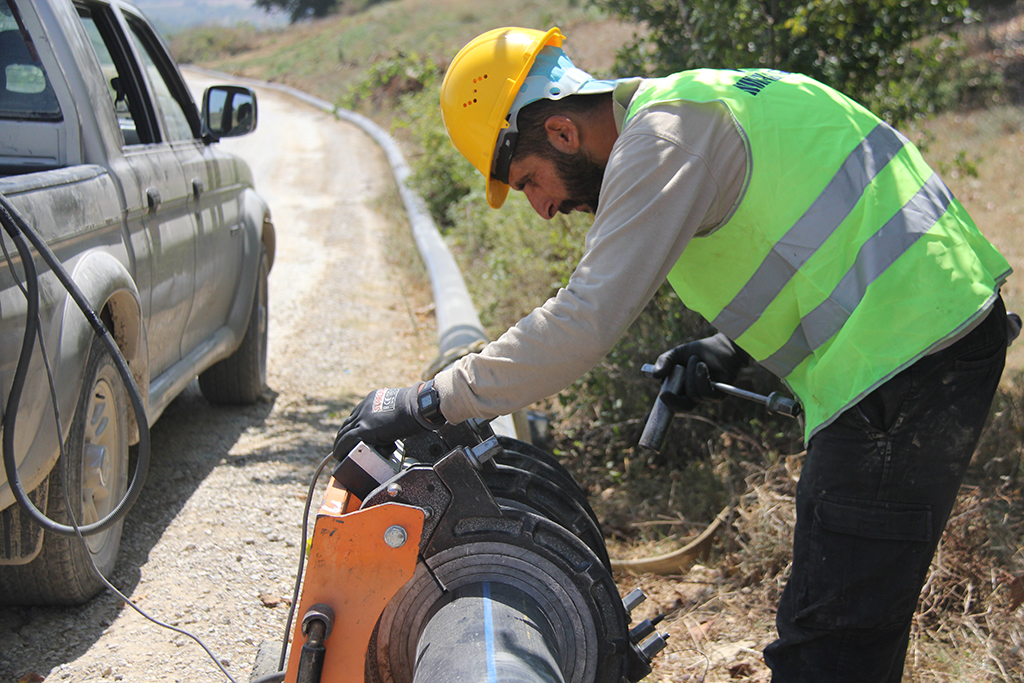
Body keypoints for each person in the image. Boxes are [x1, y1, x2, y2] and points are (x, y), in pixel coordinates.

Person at [333, 26, 1018, 682]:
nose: (541, 207)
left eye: (530, 180)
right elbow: (820, 235)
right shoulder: (688, 108)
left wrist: (427, 400)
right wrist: (724, 351)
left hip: (904, 357)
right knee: (854, 625)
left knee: (829, 643)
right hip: (923, 333)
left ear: (562, 130)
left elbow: (583, 321)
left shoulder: (662, 138)